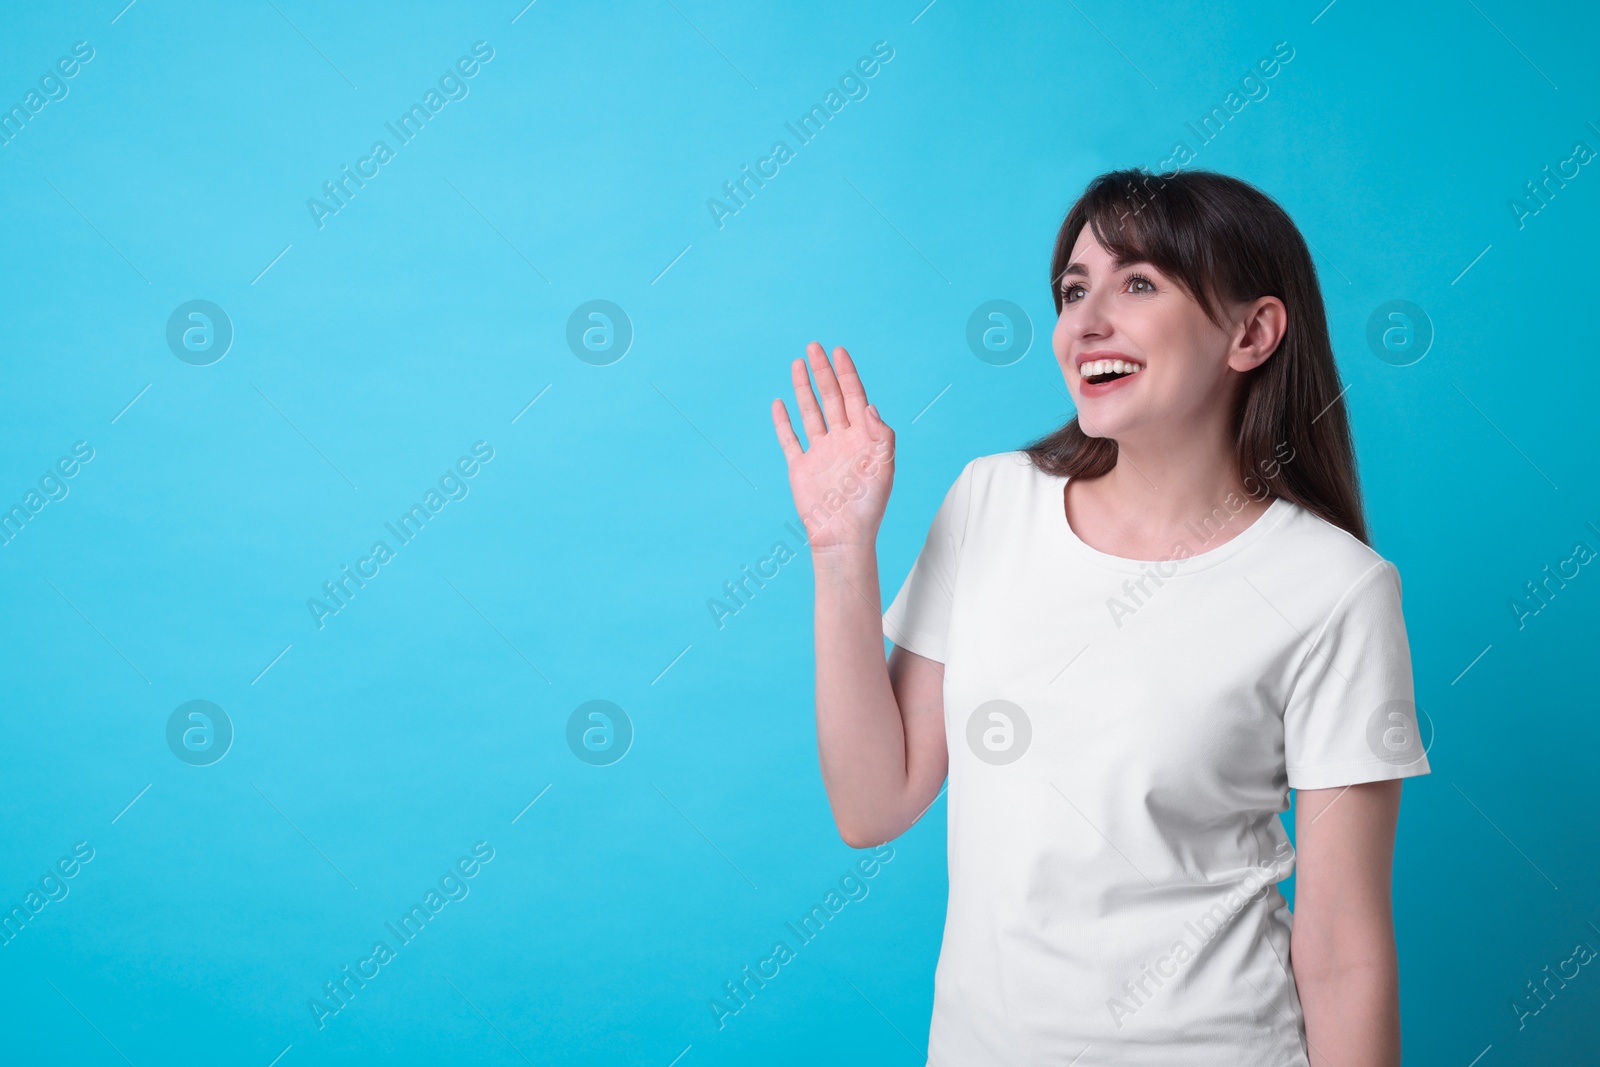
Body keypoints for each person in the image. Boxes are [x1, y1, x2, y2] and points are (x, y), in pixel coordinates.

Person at [770, 168, 1432, 1066]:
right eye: (1074, 289)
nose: (1085, 323)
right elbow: (871, 802)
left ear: (1253, 333)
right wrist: (841, 550)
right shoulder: (989, 502)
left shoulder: (1333, 588)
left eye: (1139, 283)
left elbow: (1344, 952)